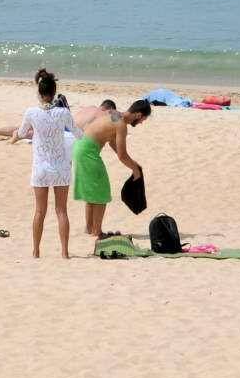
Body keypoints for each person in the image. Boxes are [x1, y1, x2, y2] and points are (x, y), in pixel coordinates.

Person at [17, 69, 77, 258]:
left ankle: (36, 251)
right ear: (54, 92)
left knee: (39, 211)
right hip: (60, 167)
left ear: (39, 92)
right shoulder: (63, 112)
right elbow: (78, 133)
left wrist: (28, 134)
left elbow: (20, 133)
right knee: (61, 211)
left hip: (41, 168)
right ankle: (65, 252)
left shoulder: (31, 112)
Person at [72, 99, 150, 239]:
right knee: (102, 192)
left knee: (92, 191)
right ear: (138, 115)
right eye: (143, 119)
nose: (141, 123)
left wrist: (133, 163)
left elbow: (113, 144)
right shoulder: (121, 124)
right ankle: (97, 232)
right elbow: (122, 155)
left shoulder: (115, 115)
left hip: (80, 147)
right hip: (88, 151)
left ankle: (89, 229)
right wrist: (135, 170)